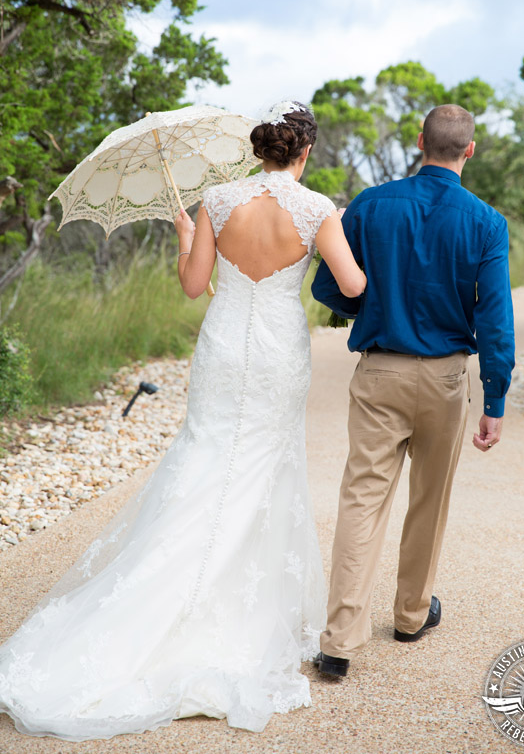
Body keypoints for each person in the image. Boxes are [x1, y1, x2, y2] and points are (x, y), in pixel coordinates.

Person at [0, 102, 366, 738]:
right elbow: (354, 286)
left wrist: (187, 240)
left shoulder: (216, 201)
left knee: (205, 457)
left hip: (223, 350)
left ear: (260, 149)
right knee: (265, 463)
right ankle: (236, 605)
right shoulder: (316, 209)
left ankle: (159, 592)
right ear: (303, 151)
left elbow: (195, 287)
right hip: (279, 353)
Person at [311, 103, 515, 679]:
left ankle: (339, 642)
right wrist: (494, 401)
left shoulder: (371, 206)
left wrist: (373, 304)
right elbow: (495, 319)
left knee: (362, 499)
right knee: (430, 498)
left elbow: (330, 285)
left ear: (419, 141)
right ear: (469, 150)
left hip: (380, 372)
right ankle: (409, 615)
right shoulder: (486, 222)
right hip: (448, 378)